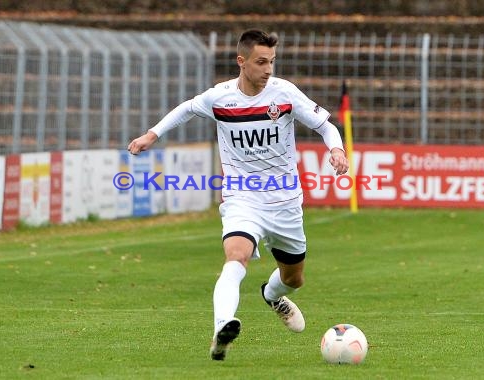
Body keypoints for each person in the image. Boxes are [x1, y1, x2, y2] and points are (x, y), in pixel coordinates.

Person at [127, 29, 349, 361]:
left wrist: (337, 149)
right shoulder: (221, 97)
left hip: (286, 200)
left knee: (294, 278)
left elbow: (325, 126)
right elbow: (186, 109)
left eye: (272, 61)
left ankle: (272, 295)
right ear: (241, 61)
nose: (268, 69)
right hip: (242, 197)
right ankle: (222, 327)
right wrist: (151, 134)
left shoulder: (283, 93)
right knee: (236, 256)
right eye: (261, 62)